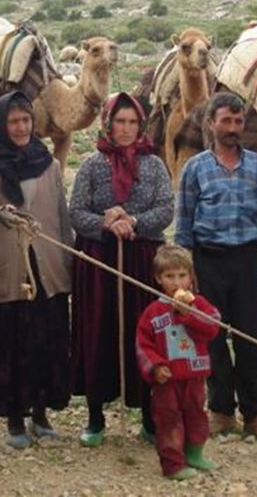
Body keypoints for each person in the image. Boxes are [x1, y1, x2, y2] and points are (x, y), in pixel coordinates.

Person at [174, 91, 257, 441]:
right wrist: (186, 272)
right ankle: (221, 410)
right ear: (211, 123)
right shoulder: (195, 168)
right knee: (212, 337)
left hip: (248, 260)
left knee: (254, 338)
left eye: (238, 121)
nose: (233, 127)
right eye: (226, 120)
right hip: (208, 261)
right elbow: (184, 221)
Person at [69, 92, 174, 447]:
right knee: (99, 331)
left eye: (132, 122)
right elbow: (76, 212)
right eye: (120, 121)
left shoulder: (155, 165)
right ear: (108, 124)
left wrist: (133, 220)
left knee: (145, 332)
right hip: (99, 261)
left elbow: (166, 209)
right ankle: (96, 417)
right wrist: (105, 223)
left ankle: (147, 414)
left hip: (143, 261)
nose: (126, 129)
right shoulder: (90, 165)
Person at [0, 91, 73, 449]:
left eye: (26, 120)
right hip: (4, 272)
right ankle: (15, 418)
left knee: (46, 342)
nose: (21, 127)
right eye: (13, 121)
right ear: (1, 124)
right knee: (8, 343)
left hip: (48, 271)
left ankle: (41, 413)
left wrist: (68, 263)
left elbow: (61, 217)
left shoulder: (48, 163)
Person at [136, 245, 221, 480]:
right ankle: (173, 464)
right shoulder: (153, 312)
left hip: (194, 375)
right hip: (168, 378)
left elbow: (212, 328)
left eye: (182, 276)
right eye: (170, 277)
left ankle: (195, 453)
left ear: (191, 277)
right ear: (158, 279)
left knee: (196, 414)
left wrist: (188, 314)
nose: (177, 283)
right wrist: (155, 366)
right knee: (168, 419)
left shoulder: (200, 305)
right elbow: (143, 345)